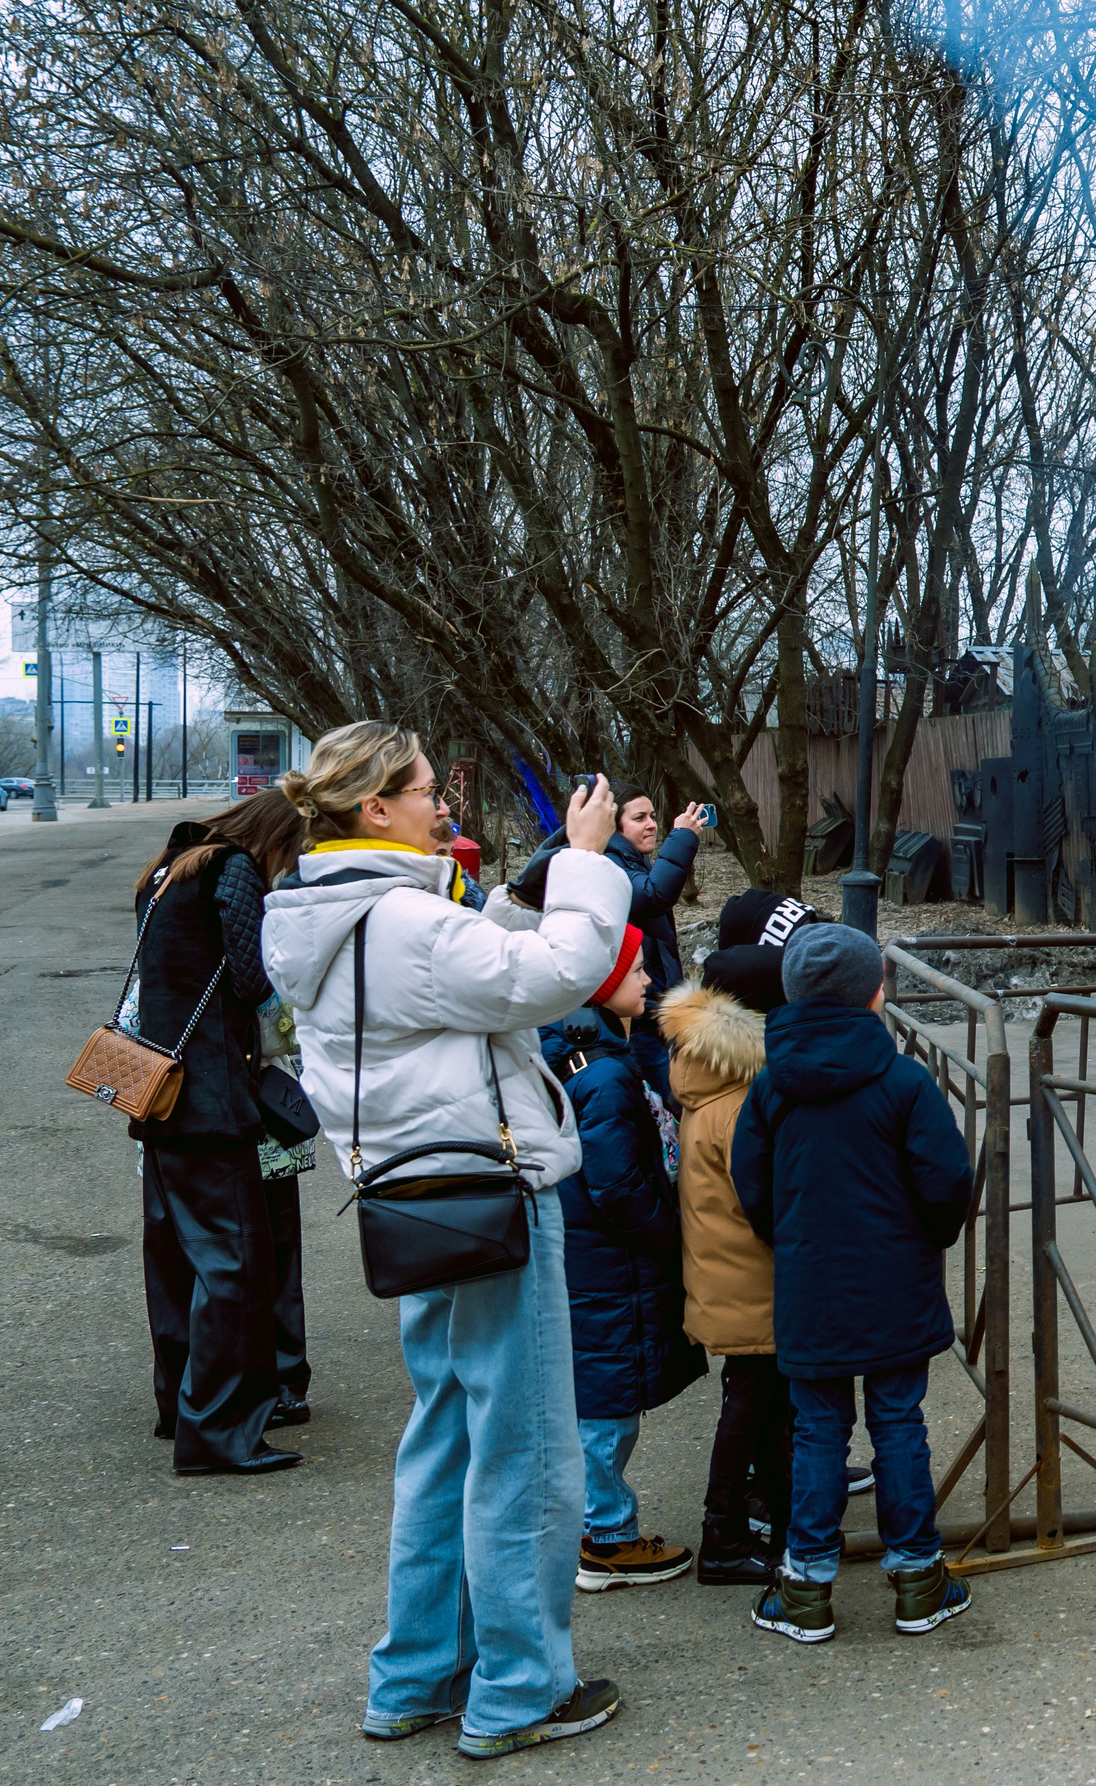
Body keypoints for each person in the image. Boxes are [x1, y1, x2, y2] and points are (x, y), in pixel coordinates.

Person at [262, 721, 630, 1758]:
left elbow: (469, 972)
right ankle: (519, 1689)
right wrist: (589, 866)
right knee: (524, 1451)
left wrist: (529, 885)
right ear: (375, 808)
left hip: (416, 1201)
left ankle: (417, 1674)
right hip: (491, 1195)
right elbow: (555, 974)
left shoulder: (322, 909)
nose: (442, 805)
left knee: (445, 1439)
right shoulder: (403, 920)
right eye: (426, 790)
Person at [731, 924, 974, 1644]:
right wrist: (927, 1238)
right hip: (896, 1282)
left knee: (817, 1431)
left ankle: (806, 1588)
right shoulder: (903, 1079)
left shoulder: (773, 1084)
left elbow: (752, 1182)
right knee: (900, 1424)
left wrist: (793, 1241)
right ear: (875, 992)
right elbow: (946, 1179)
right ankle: (918, 1581)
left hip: (812, 1285)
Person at [660, 891, 879, 1589]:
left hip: (730, 1275)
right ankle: (724, 1534)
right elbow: (764, 1200)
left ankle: (770, 1520)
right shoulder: (737, 1099)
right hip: (751, 1279)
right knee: (755, 1402)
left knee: (758, 1401)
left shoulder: (711, 1081)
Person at [129, 789, 311, 1476]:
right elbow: (247, 975)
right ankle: (220, 1430)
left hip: (160, 1092)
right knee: (236, 1261)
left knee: (175, 1258)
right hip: (211, 1098)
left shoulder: (167, 868)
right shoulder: (232, 869)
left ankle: (179, 1404)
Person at [544, 925, 707, 1591]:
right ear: (599, 983)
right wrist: (674, 1233)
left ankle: (596, 1527)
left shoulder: (577, 1048)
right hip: (609, 1266)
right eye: (636, 971)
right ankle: (605, 1538)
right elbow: (618, 1186)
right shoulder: (606, 1074)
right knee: (606, 1410)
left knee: (598, 1402)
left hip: (591, 1261)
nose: (648, 981)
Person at [603, 790, 706, 1108]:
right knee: (672, 1104)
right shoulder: (611, 866)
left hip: (659, 1012)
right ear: (615, 827)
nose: (651, 825)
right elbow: (653, 895)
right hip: (639, 1023)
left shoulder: (634, 861)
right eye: (638, 818)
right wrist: (683, 838)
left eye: (652, 816)